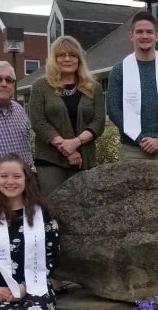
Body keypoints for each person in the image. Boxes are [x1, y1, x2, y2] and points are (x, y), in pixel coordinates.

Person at [0, 154, 60, 310]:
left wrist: (26, 286)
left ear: (27, 180)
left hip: (35, 287)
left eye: (17, 176)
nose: (10, 181)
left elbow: (51, 255)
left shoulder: (43, 215)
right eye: (4, 176)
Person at [107, 11, 158, 163]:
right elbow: (113, 109)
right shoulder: (119, 71)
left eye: (149, 32)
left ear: (157, 36)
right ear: (132, 36)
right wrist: (139, 138)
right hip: (131, 150)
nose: (144, 36)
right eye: (139, 32)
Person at [29, 35, 105, 196]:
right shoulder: (40, 86)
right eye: (61, 55)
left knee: (85, 211)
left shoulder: (94, 87)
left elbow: (98, 122)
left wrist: (76, 142)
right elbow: (38, 121)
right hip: (50, 161)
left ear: (79, 59)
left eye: (72, 55)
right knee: (53, 210)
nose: (67, 59)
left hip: (84, 161)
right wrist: (68, 149)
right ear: (54, 59)